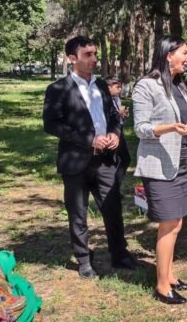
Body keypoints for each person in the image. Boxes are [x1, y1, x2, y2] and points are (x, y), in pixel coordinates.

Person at [132, 36, 187, 305]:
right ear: (168, 55)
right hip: (160, 165)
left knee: (178, 222)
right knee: (169, 223)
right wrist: (170, 128)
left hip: (182, 162)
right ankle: (162, 287)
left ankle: (170, 276)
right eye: (184, 53)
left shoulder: (179, 86)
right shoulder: (146, 85)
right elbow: (140, 128)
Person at [42, 36, 137, 279]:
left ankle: (120, 254)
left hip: (105, 160)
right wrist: (88, 139)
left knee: (113, 208)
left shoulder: (102, 86)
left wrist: (115, 133)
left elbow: (113, 115)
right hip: (76, 161)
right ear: (72, 58)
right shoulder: (58, 89)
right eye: (88, 55)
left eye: (95, 54)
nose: (94, 59)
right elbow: (51, 124)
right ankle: (83, 259)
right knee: (78, 212)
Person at [106, 77, 131, 183]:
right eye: (117, 87)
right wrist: (118, 114)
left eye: (121, 87)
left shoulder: (116, 99)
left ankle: (116, 183)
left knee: (126, 158)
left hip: (119, 130)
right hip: (110, 133)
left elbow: (117, 115)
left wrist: (123, 115)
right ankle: (112, 185)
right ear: (109, 87)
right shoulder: (104, 100)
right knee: (112, 161)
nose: (120, 89)